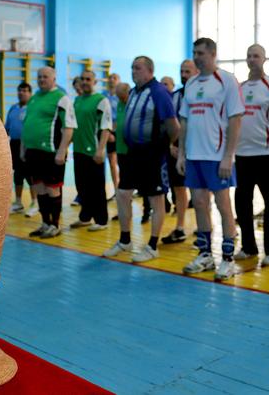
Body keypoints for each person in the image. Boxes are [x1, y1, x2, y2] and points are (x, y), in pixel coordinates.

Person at [177, 37, 244, 281]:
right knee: (199, 203)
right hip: (194, 155)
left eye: (201, 53)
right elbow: (184, 121)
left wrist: (228, 156)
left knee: (223, 206)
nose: (196, 57)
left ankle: (228, 259)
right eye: (194, 53)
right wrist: (181, 153)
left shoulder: (226, 80)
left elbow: (236, 119)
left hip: (217, 156)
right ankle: (205, 255)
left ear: (213, 54)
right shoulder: (192, 83)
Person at [103, 57, 180, 262]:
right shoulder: (134, 92)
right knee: (122, 194)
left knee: (156, 199)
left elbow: (174, 127)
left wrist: (164, 146)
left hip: (152, 154)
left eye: (137, 68)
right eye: (132, 68)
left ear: (149, 70)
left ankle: (153, 245)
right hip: (133, 153)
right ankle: (125, 240)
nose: (133, 71)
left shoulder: (159, 92)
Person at [233, 44, 269, 266]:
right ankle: (248, 247)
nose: (252, 59)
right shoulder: (239, 88)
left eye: (256, 56)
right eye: (249, 56)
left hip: (268, 155)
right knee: (242, 203)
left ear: (264, 59)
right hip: (243, 155)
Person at [21, 67, 76, 238]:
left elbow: (69, 127)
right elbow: (27, 124)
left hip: (51, 152)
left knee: (52, 189)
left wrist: (62, 151)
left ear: (54, 79)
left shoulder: (61, 98)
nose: (41, 79)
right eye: (39, 77)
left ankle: (55, 225)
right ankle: (45, 223)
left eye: (45, 76)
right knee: (39, 189)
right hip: (33, 152)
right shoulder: (34, 98)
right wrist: (23, 148)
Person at [69, 70, 113, 230]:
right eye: (83, 79)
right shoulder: (77, 100)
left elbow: (106, 127)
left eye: (88, 79)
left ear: (95, 82)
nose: (85, 82)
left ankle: (101, 220)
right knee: (82, 186)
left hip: (93, 151)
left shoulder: (101, 100)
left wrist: (100, 150)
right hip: (78, 150)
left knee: (97, 188)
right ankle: (85, 217)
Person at [162, 59, 199, 244]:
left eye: (187, 71)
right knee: (178, 189)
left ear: (196, 72)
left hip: (198, 150)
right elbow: (170, 123)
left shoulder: (203, 95)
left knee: (200, 191)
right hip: (177, 151)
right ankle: (180, 228)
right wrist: (171, 145)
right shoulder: (175, 96)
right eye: (182, 71)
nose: (184, 75)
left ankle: (203, 227)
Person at [6, 82, 38, 216]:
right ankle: (18, 203)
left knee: (30, 174)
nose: (21, 93)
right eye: (20, 90)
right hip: (14, 144)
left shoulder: (33, 108)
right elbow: (7, 128)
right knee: (18, 174)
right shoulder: (13, 108)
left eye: (25, 91)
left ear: (30, 93)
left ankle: (35, 203)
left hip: (28, 144)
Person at [103, 73, 121, 200]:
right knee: (112, 162)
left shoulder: (122, 96)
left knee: (123, 162)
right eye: (110, 78)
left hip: (120, 132)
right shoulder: (103, 96)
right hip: (108, 132)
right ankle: (116, 190)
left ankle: (125, 189)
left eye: (114, 78)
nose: (111, 80)